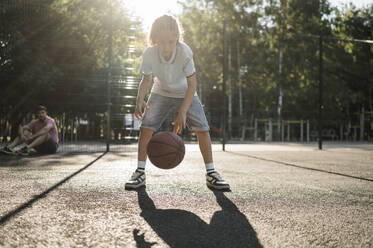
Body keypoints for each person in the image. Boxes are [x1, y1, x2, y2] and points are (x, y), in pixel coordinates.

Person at [125, 15, 230, 190]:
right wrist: (139, 99)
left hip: (185, 92)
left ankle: (211, 173)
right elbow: (146, 79)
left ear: (177, 39)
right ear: (155, 39)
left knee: (203, 129)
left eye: (171, 42)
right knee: (146, 128)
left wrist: (183, 111)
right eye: (162, 42)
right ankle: (140, 172)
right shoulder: (150, 53)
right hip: (160, 91)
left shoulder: (184, 52)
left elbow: (192, 84)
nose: (166, 47)